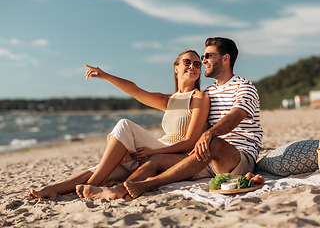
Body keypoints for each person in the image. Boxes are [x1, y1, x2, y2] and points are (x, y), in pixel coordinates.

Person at [76, 37, 263, 200]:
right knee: (155, 160)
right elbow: (137, 91)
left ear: (225, 58)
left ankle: (148, 184)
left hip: (238, 158)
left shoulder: (244, 87)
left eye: (207, 56)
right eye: (202, 57)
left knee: (212, 142)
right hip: (205, 158)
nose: (203, 60)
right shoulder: (209, 92)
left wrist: (208, 135)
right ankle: (120, 189)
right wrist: (107, 76)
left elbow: (234, 117)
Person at [28, 49, 210, 199]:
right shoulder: (168, 100)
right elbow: (135, 90)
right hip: (159, 148)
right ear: (176, 68)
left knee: (124, 125)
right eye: (187, 62)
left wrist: (153, 152)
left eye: (196, 64)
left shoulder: (199, 98)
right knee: (110, 166)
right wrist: (106, 76)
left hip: (176, 156)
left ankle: (91, 185)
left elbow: (190, 141)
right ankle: (56, 188)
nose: (192, 66)